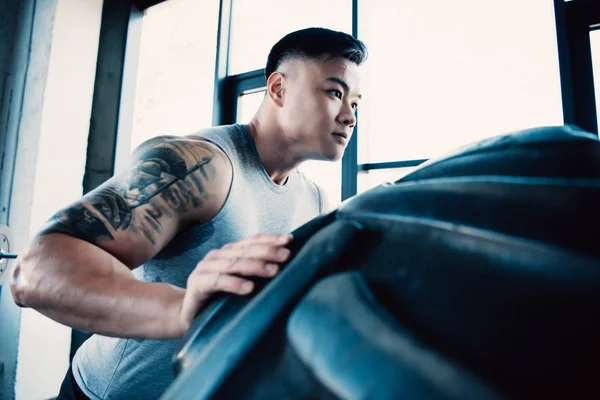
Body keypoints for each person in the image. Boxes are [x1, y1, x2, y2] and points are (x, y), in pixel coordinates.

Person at [10, 27, 367, 399]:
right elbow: (36, 269)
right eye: (334, 92)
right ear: (278, 88)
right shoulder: (201, 166)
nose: (349, 117)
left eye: (355, 103)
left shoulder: (316, 201)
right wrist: (182, 309)